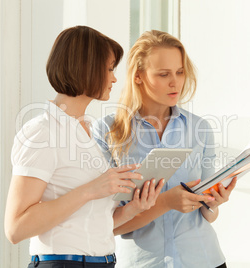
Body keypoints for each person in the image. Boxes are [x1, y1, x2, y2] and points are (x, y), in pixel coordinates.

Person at [4, 26, 164, 268]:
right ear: (86, 67)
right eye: (110, 68)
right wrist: (91, 189)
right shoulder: (42, 133)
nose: (114, 78)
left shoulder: (89, 132)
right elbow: (15, 228)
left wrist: (134, 208)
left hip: (102, 262)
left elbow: (91, 223)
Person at [92, 30, 237, 268]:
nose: (175, 82)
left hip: (203, 259)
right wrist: (166, 202)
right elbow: (109, 225)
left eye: (180, 72)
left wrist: (214, 203)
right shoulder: (107, 131)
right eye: (163, 74)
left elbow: (208, 216)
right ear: (138, 76)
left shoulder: (200, 128)